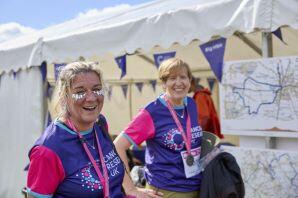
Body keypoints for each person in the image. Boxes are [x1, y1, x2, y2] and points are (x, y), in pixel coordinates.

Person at [26, 62, 126, 198]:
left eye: (97, 89)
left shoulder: (99, 124)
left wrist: (132, 190)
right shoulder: (47, 150)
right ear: (64, 97)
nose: (91, 98)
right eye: (80, 92)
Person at [114, 58, 203, 198]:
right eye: (172, 78)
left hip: (197, 187)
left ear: (189, 80)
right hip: (166, 191)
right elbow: (117, 146)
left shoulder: (191, 104)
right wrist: (129, 188)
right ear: (163, 83)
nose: (178, 83)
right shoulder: (151, 112)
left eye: (183, 77)